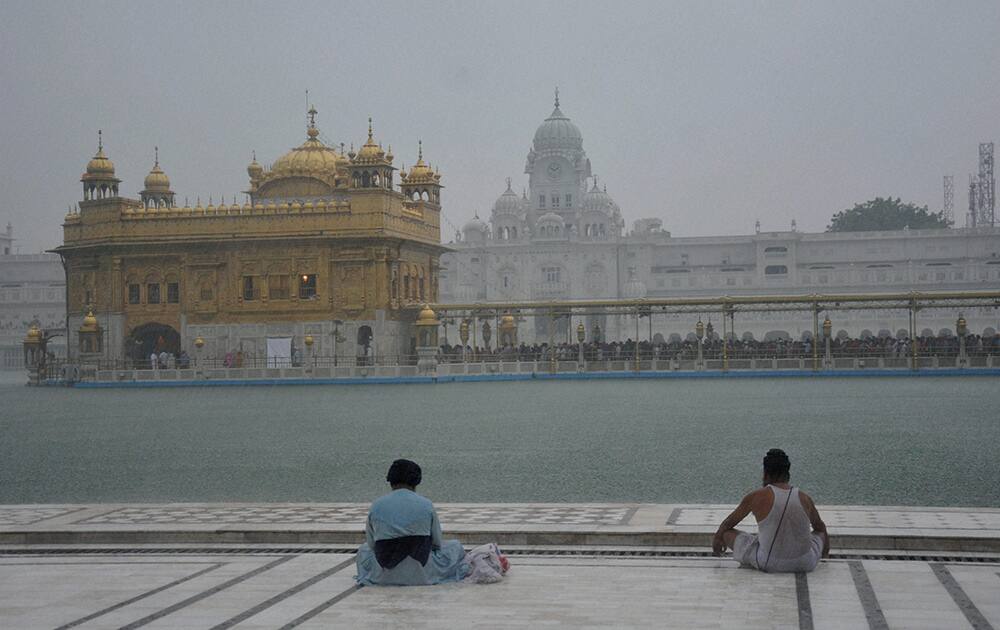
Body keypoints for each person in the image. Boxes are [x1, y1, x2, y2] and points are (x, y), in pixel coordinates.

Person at [712, 449, 829, 572]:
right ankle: (826, 558)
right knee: (819, 533)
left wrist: (717, 540)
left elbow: (727, 524)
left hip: (769, 563)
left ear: (766, 473)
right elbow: (820, 528)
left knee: (726, 533)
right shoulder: (804, 498)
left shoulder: (756, 496)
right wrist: (825, 554)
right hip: (805, 564)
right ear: (787, 473)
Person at [355, 459, 469, 586]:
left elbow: (371, 545)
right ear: (416, 482)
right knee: (455, 546)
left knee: (363, 550)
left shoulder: (376, 505)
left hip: (384, 573)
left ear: (391, 481)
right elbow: (436, 542)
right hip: (421, 571)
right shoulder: (426, 504)